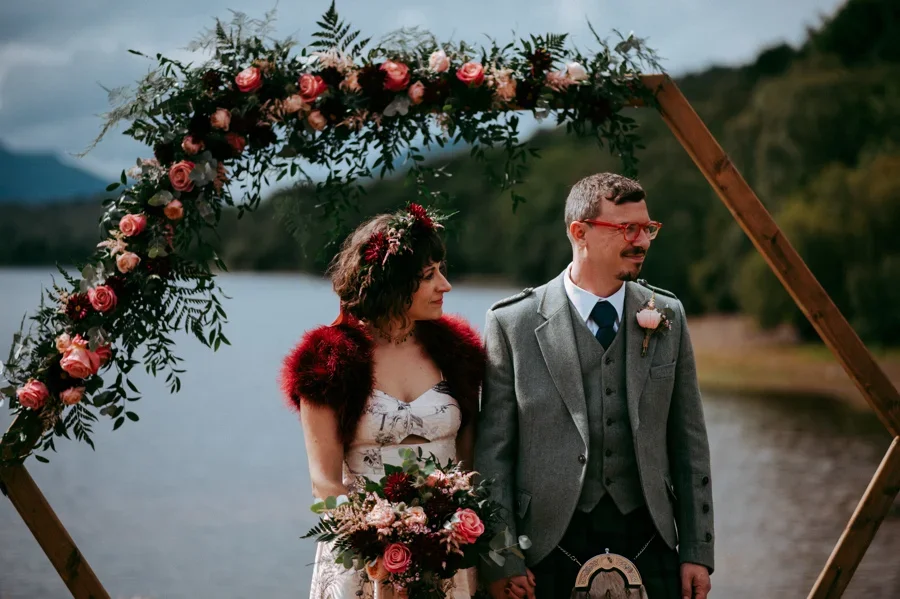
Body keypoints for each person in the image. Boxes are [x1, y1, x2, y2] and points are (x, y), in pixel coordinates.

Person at [474, 173, 714, 599]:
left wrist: (696, 549)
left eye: (647, 229)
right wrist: (502, 558)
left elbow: (690, 443)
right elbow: (494, 457)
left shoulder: (668, 316)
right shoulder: (513, 322)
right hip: (544, 546)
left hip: (650, 537)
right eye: (627, 229)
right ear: (578, 232)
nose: (641, 240)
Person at [280, 204, 485, 599]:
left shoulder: (458, 354)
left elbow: (469, 461)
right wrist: (379, 543)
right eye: (429, 275)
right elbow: (323, 482)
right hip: (366, 559)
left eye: (441, 270)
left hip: (446, 551)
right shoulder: (328, 360)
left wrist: (451, 529)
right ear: (390, 283)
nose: (445, 285)